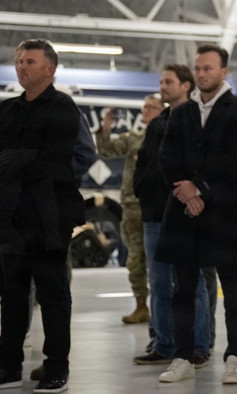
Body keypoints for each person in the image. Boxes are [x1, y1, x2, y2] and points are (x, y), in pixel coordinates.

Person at [0, 39, 84, 394]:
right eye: (18, 61)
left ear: (50, 69)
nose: (21, 66)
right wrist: (17, 160)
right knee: (12, 293)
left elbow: (52, 159)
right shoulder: (6, 111)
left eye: (30, 61)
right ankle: (8, 367)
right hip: (10, 214)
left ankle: (56, 368)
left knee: (52, 293)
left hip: (49, 215)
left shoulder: (64, 109)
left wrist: (12, 162)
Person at [156, 44, 237, 385]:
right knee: (182, 287)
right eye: (198, 69)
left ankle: (234, 358)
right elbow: (167, 154)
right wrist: (183, 190)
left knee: (232, 286)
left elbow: (236, 159)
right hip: (184, 211)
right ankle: (183, 355)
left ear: (224, 72)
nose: (201, 74)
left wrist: (198, 188)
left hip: (223, 213)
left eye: (208, 69)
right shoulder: (181, 113)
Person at [132, 64, 213, 367]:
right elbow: (145, 166)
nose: (162, 86)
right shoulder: (158, 123)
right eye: (161, 81)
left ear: (186, 86)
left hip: (187, 212)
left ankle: (198, 346)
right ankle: (164, 344)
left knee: (193, 282)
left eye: (169, 82)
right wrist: (141, 190)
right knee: (160, 282)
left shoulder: (200, 120)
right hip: (154, 212)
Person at [96, 94, 163, 324]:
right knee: (135, 259)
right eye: (145, 107)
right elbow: (106, 150)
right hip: (133, 207)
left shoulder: (167, 136)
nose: (147, 111)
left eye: (153, 108)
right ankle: (141, 305)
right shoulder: (135, 138)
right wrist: (106, 127)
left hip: (157, 207)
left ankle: (162, 308)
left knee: (160, 262)